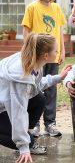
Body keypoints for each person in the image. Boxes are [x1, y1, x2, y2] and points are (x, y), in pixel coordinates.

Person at [0, 33, 71, 163]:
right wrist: (23, 146)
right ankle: (19, 137)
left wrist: (58, 77)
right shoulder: (20, 76)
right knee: (28, 142)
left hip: (4, 104)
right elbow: (18, 112)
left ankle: (19, 134)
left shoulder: (32, 61)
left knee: (39, 99)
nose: (58, 52)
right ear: (45, 55)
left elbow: (35, 86)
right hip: (4, 108)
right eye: (56, 50)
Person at [22, 0, 67, 137]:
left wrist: (62, 51)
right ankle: (33, 124)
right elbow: (26, 31)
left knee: (51, 90)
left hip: (53, 56)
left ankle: (50, 124)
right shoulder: (32, 7)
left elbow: (60, 30)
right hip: (37, 57)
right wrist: (28, 51)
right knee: (34, 89)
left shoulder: (56, 8)